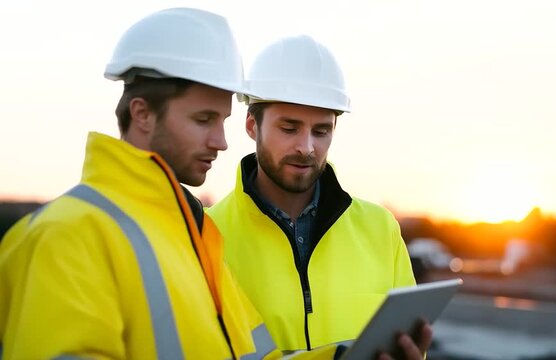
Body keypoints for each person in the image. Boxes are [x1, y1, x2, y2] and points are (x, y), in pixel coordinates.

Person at [0, 8, 338, 359]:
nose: (221, 141)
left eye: (222, 120)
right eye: (203, 119)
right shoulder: (65, 236)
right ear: (142, 113)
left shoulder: (193, 230)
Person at [206, 35, 432, 358]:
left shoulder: (382, 229)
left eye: (321, 131)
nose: (307, 147)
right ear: (252, 125)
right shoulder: (206, 235)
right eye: (289, 128)